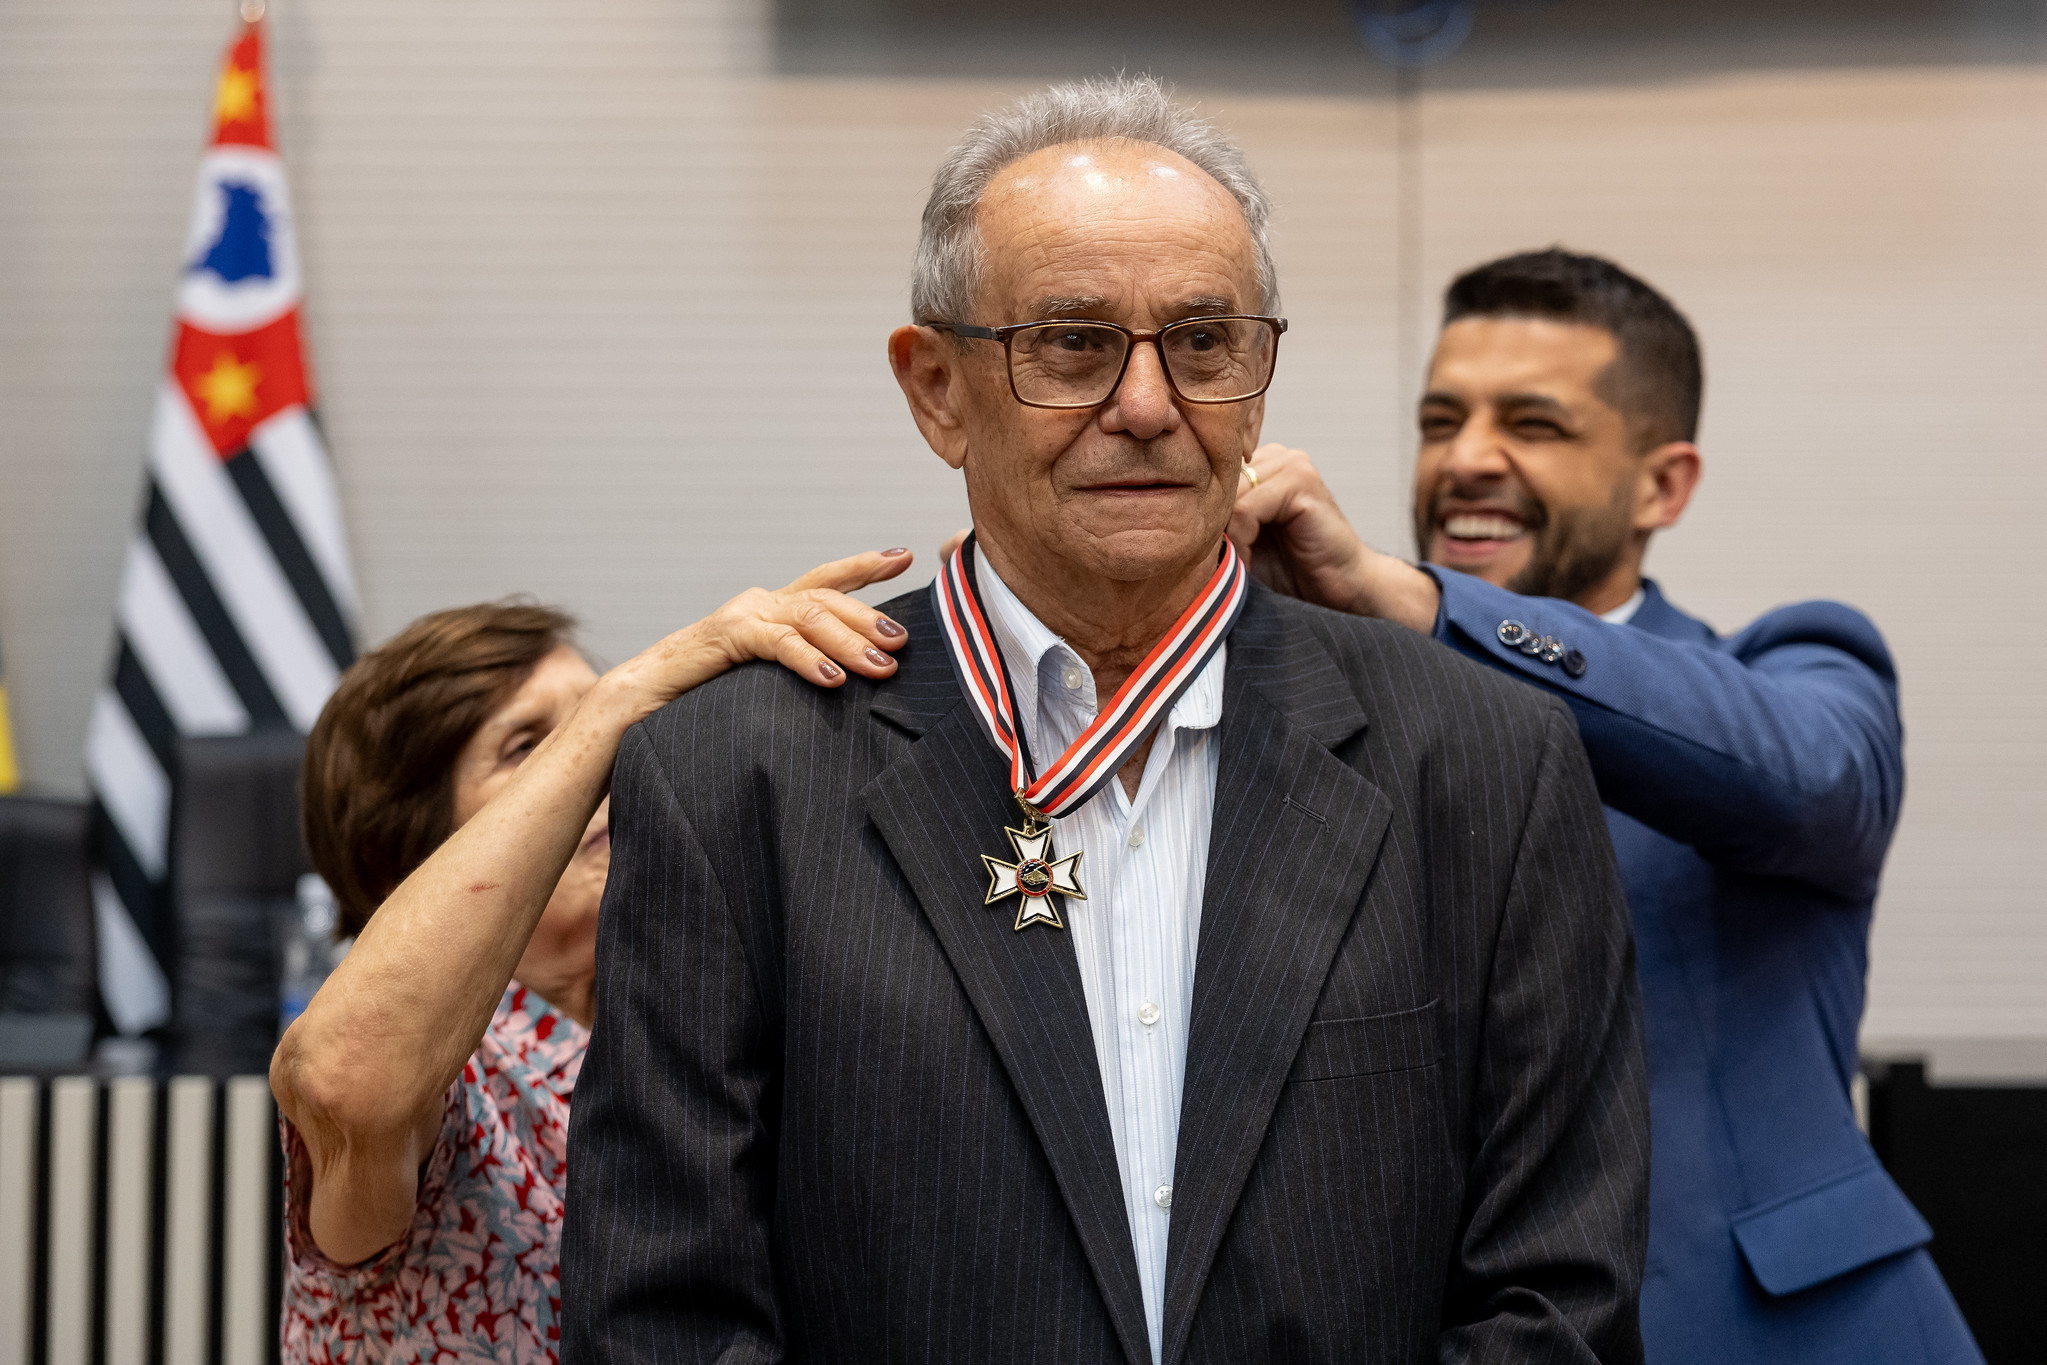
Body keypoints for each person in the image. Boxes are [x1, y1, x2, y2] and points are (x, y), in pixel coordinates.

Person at [563, 77, 1648, 1365]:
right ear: (936, 391)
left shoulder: (1483, 762)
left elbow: (1557, 1302)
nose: (1147, 406)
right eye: (1071, 343)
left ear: (1256, 382)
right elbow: (664, 1318)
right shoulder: (732, 774)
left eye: (1203, 341)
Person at [1231, 248, 1982, 1364]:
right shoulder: (1332, 713)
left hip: (1781, 1332)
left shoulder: (1797, 670)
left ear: (1661, 485)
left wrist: (1425, 605)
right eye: (1442, 420)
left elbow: (1811, 784)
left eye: (1532, 425)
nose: (1466, 460)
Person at [269, 548, 919, 1363]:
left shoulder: (706, 1012)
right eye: (527, 746)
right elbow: (345, 1078)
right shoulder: (456, 1074)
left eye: (606, 725)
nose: (607, 762)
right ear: (411, 858)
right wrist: (615, 700)